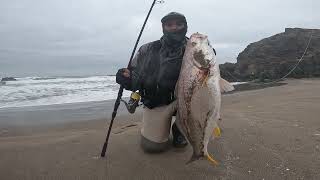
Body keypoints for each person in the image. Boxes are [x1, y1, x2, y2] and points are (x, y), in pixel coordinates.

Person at [116, 12, 189, 153]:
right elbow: (135, 78)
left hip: (188, 102)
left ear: (186, 26)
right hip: (159, 101)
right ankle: (164, 126)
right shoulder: (147, 49)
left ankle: (180, 128)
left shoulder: (196, 48)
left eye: (179, 24)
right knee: (153, 147)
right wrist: (127, 79)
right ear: (163, 28)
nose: (174, 28)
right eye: (169, 25)